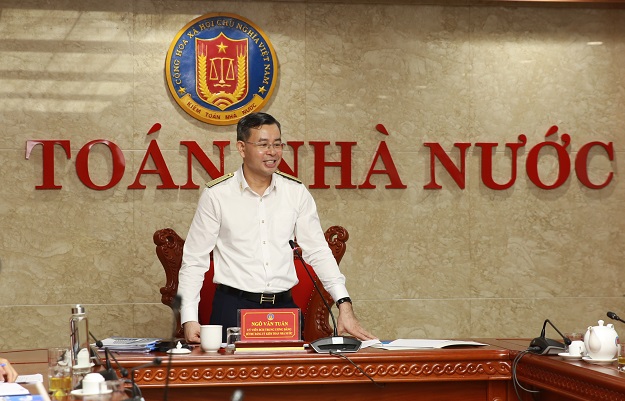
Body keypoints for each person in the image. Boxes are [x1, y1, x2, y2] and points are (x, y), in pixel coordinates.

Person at [178, 112, 376, 343]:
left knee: (289, 368)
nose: (272, 152)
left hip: (284, 312)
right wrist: (189, 318)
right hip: (233, 309)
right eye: (263, 145)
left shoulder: (295, 192)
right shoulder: (217, 195)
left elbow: (318, 251)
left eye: (277, 144)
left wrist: (344, 303)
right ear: (242, 148)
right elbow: (194, 260)